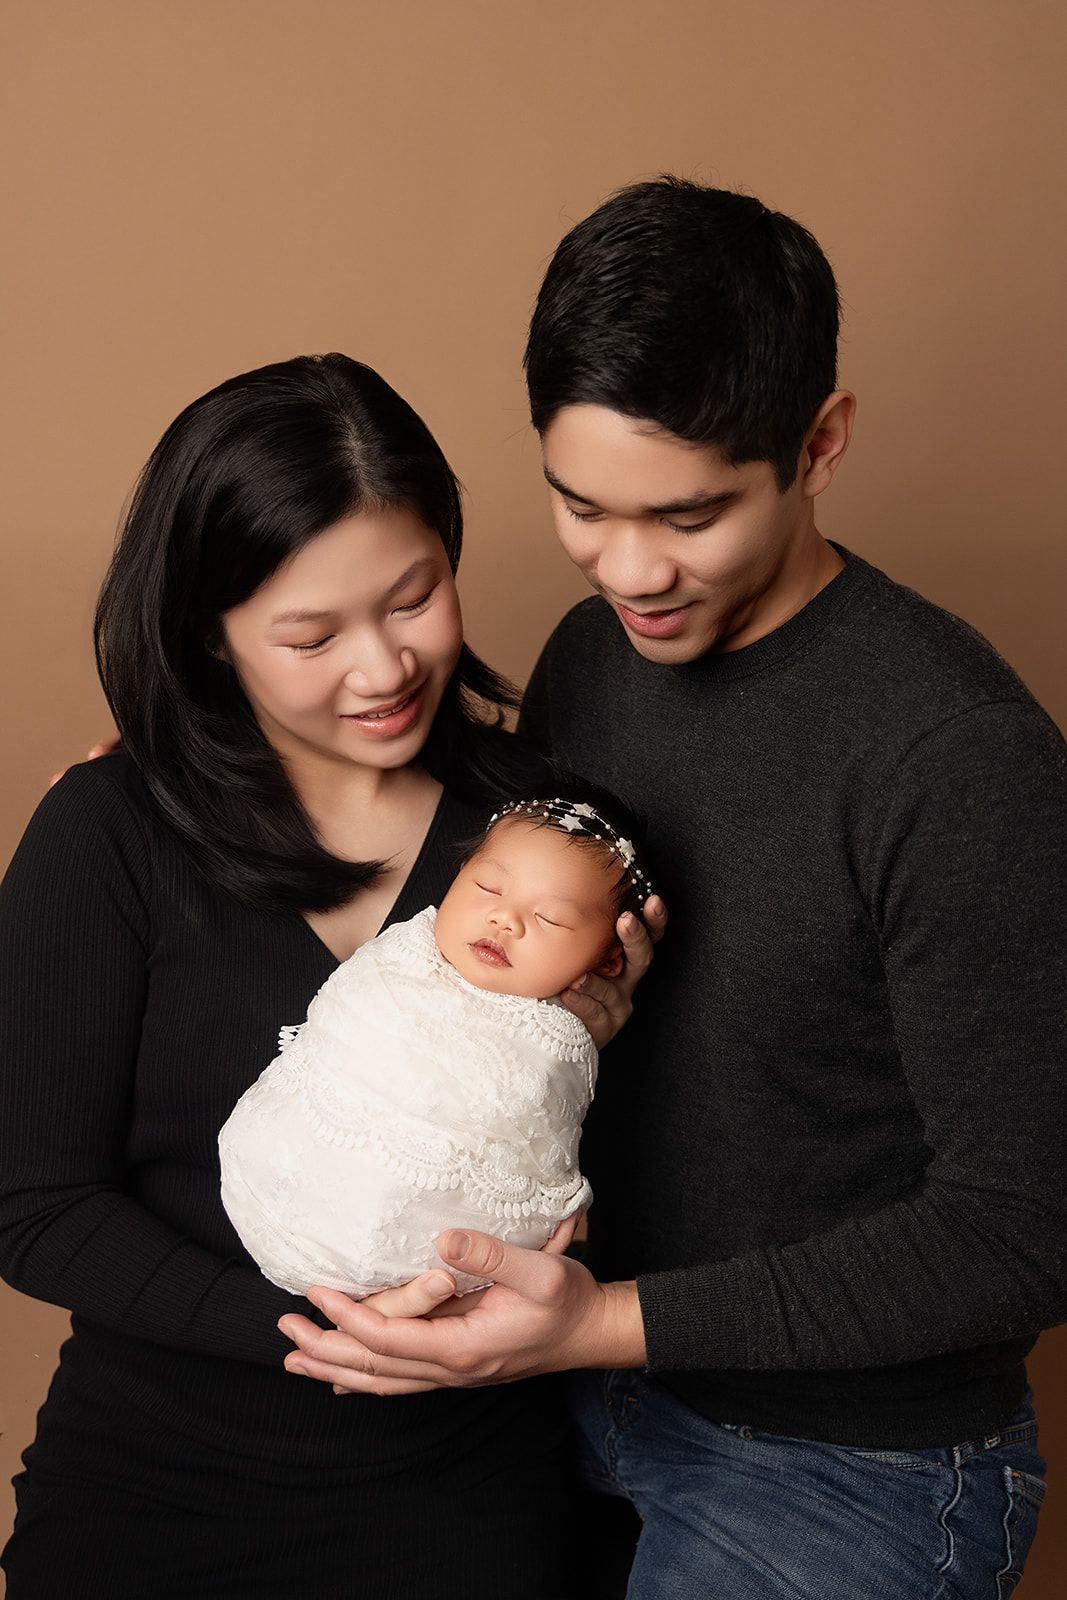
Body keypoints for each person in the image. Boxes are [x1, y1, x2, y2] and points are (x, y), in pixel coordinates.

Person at [278, 182, 1067, 1598]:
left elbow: (1022, 1230)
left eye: (688, 515)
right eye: (578, 505)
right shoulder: (594, 656)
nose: (628, 569)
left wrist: (596, 1325)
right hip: (566, 1397)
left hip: (842, 1469)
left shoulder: (958, 759)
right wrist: (184, 764)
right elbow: (469, 864)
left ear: (818, 442)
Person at [0, 353, 661, 1599]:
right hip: (153, 1485)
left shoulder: (549, 847)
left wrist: (584, 1050)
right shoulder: (108, 832)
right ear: (208, 633)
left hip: (465, 1493)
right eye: (310, 635)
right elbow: (32, 1204)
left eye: (414, 598)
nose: (382, 669)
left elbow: (634, 1196)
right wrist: (324, 1334)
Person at [220, 794, 654, 1299]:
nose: (504, 919)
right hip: (270, 1179)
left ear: (606, 962)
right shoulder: (403, 953)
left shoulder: (556, 1039)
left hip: (433, 1253)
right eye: (487, 888)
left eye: (550, 918)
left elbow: (536, 1140)